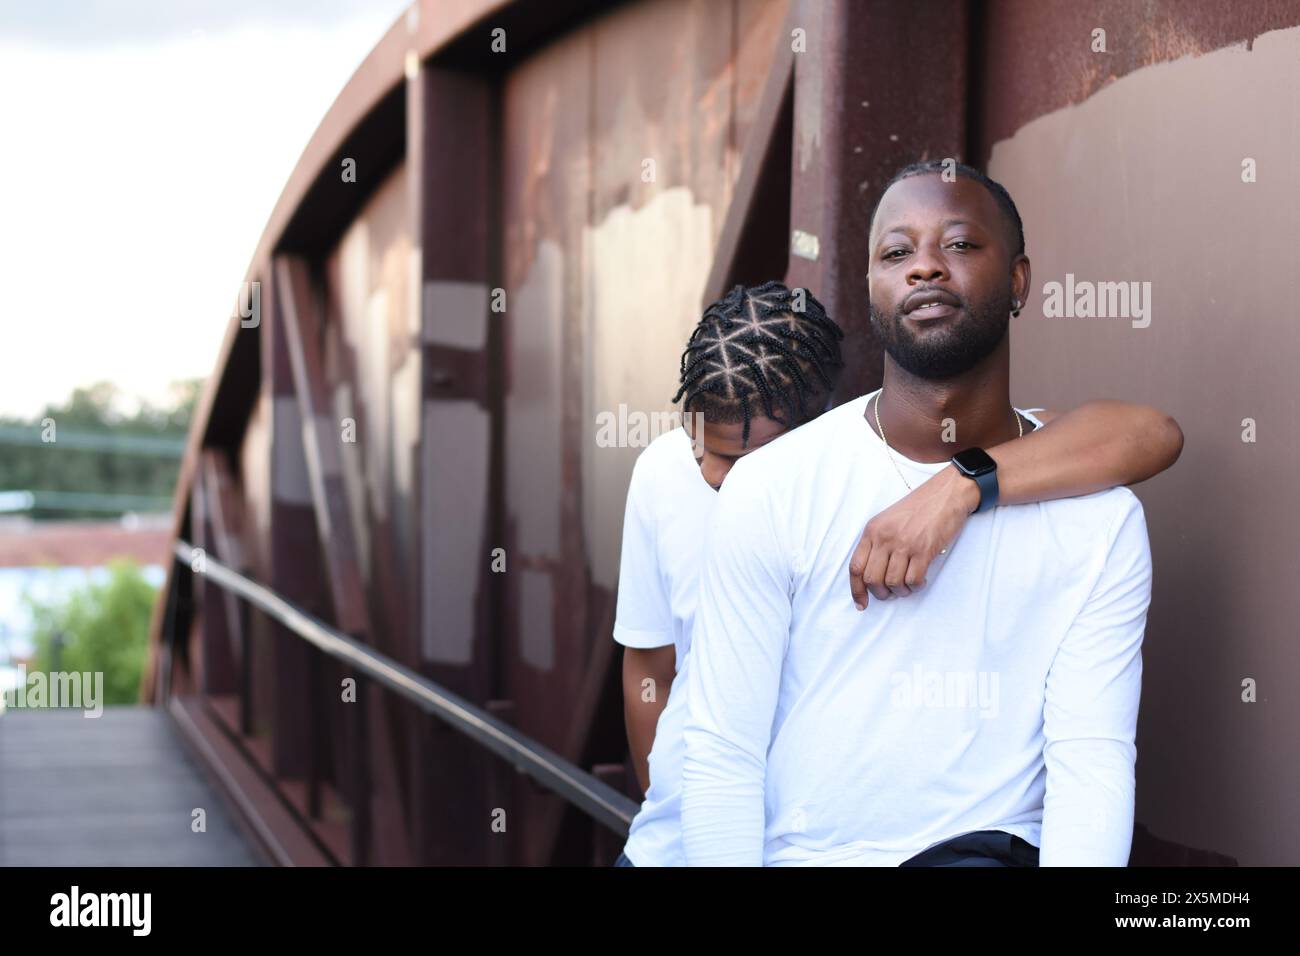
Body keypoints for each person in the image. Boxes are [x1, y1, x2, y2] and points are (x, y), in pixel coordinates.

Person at [619, 202, 1181, 865]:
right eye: (703, 449)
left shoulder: (809, 476)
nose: (718, 477)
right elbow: (654, 673)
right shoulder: (669, 476)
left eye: (742, 459)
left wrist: (961, 484)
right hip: (691, 833)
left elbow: (1145, 435)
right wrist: (666, 805)